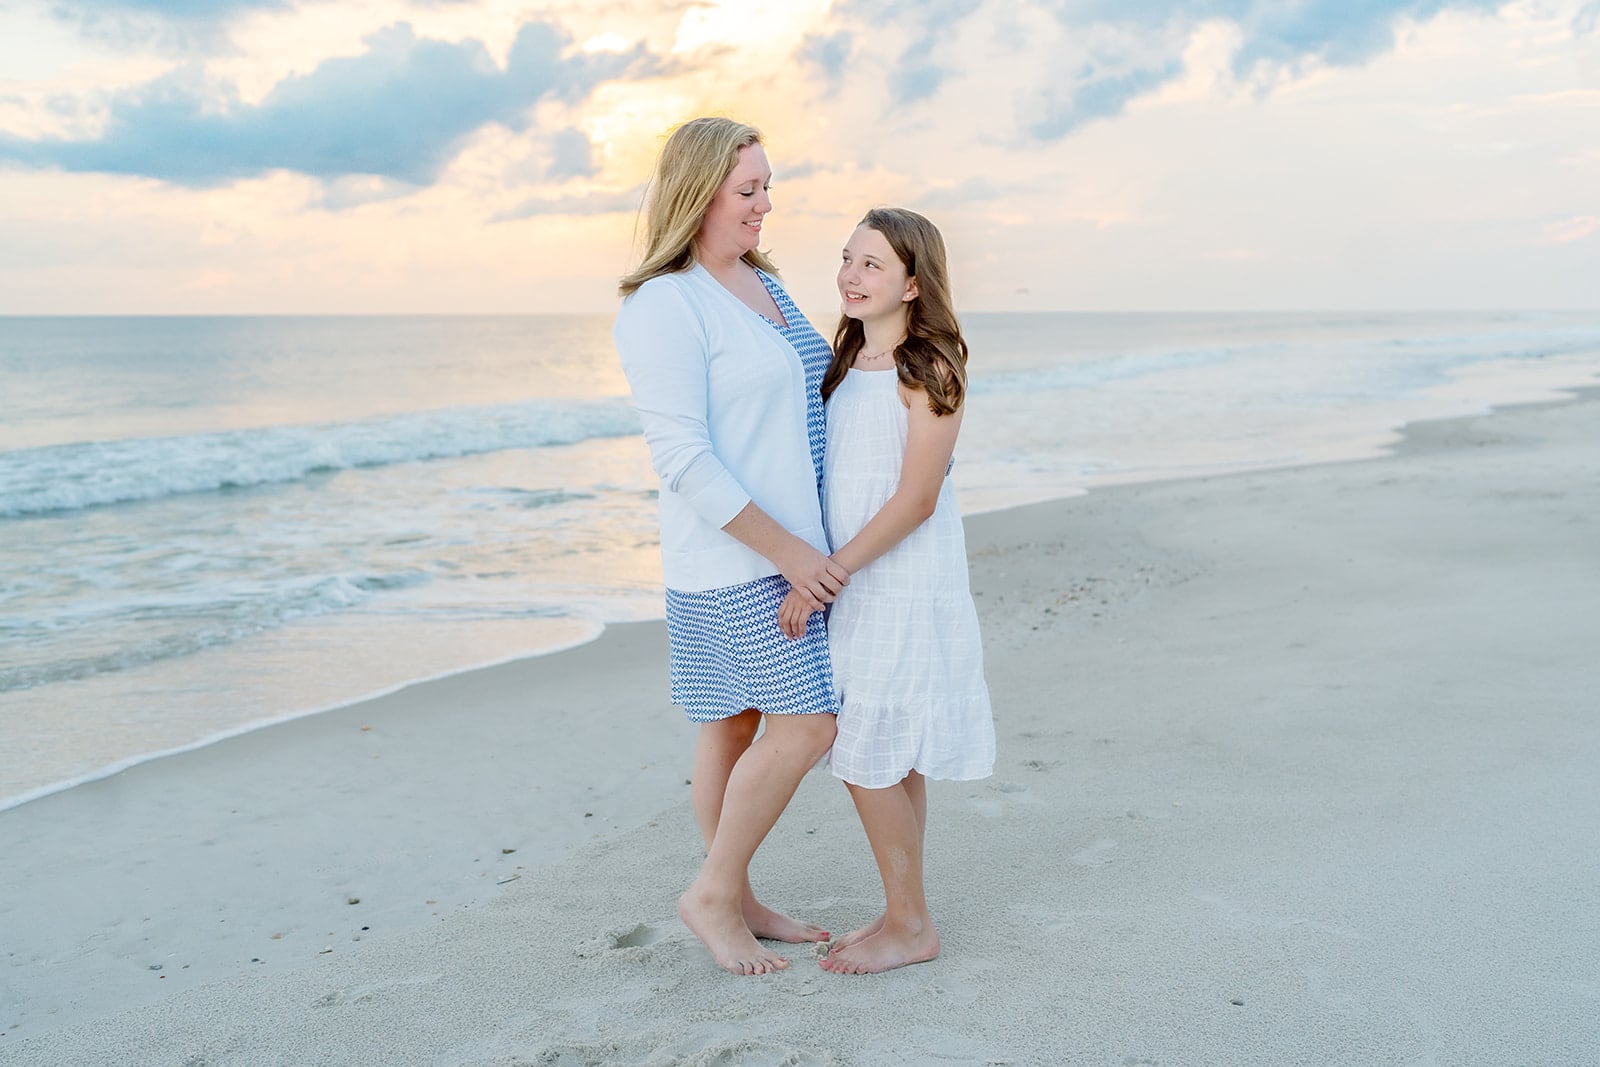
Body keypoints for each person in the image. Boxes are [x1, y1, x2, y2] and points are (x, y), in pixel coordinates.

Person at [613, 117, 848, 976]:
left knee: (735, 721)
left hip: (791, 546)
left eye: (766, 186)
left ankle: (738, 896)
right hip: (736, 558)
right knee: (808, 722)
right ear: (699, 193)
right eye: (748, 189)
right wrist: (788, 551)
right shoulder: (664, 304)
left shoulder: (762, 282)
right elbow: (682, 458)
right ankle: (712, 894)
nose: (764, 204)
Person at [779, 207, 995, 975]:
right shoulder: (843, 362)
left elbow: (917, 498)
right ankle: (904, 909)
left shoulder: (929, 366)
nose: (851, 274)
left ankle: (911, 924)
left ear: (912, 282)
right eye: (847, 258)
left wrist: (827, 575)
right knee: (894, 754)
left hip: (900, 581)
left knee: (864, 748)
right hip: (857, 581)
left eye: (872, 263)